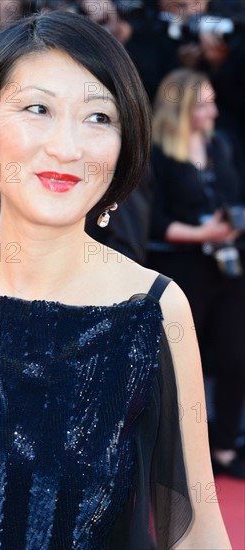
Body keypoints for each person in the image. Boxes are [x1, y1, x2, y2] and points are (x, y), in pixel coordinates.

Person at [0, 12, 231, 549]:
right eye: (37, 109)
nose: (67, 147)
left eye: (98, 118)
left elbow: (196, 529)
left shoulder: (154, 309)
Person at [147, 68, 245, 479]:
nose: (213, 110)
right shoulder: (157, 155)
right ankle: (177, 455)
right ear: (181, 108)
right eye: (203, 103)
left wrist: (231, 222)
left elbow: (232, 197)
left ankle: (224, 447)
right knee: (181, 365)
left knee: (235, 358)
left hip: (228, 267)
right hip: (181, 269)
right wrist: (202, 232)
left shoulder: (220, 145)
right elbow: (153, 222)